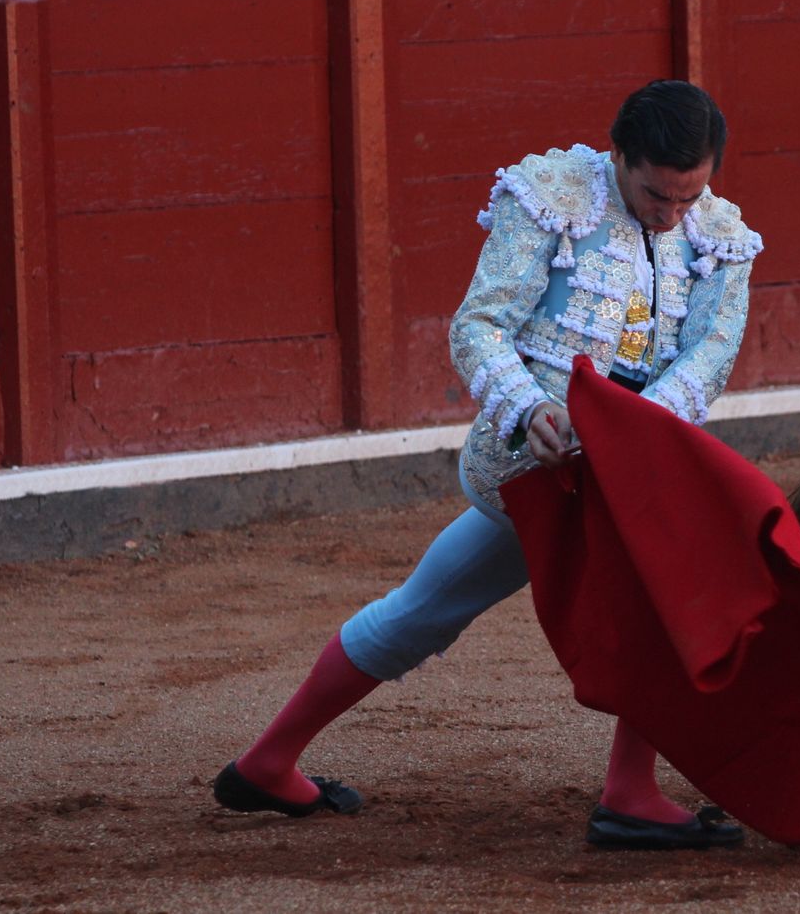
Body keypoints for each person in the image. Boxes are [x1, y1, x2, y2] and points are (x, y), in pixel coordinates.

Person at [214, 81, 764, 851]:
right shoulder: (548, 197)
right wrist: (529, 411)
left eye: (689, 196)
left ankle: (629, 788)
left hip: (637, 467)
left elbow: (711, 351)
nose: (672, 215)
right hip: (539, 463)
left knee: (656, 599)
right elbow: (479, 326)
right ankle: (271, 759)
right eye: (656, 194)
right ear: (619, 155)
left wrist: (635, 429)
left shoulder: (719, 233)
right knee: (426, 610)